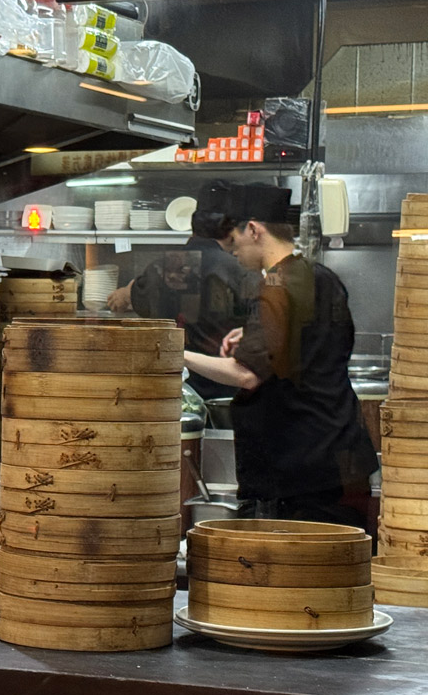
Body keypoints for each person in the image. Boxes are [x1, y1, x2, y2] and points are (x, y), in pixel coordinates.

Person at [179, 183, 377, 528]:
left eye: (234, 242)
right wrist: (255, 335)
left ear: (253, 230)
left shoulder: (277, 286)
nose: (233, 253)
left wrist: (175, 353)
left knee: (291, 574)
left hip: (296, 473)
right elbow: (308, 345)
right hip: (339, 459)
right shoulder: (319, 276)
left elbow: (246, 374)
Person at [106, 187, 254, 399]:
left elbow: (136, 297)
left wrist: (126, 291)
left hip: (171, 387)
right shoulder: (239, 271)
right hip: (225, 387)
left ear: (193, 228)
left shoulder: (161, 266)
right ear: (230, 234)